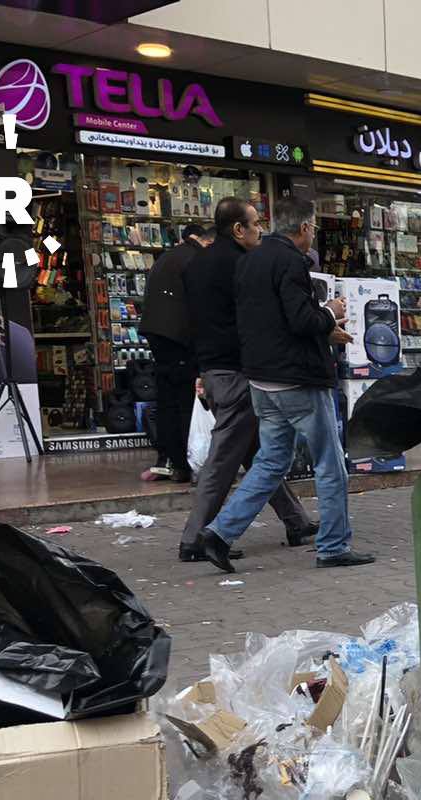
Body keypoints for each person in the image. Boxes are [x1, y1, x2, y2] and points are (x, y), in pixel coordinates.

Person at [198, 194, 374, 572]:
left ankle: (218, 533)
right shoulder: (294, 262)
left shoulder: (248, 262)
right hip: (298, 380)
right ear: (306, 227)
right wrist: (330, 314)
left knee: (270, 461)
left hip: (261, 378)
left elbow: (269, 322)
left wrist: (323, 329)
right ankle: (333, 546)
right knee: (330, 464)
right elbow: (299, 319)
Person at [178, 197, 318, 563]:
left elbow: (192, 323)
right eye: (255, 224)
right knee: (223, 458)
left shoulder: (196, 264)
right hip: (238, 371)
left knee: (263, 453)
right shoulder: (243, 265)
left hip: (213, 369)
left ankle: (296, 521)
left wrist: (200, 371)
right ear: (238, 229)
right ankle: (196, 537)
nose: (260, 231)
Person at [140, 221, 212, 483]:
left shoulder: (167, 258)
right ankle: (184, 462)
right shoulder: (197, 258)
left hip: (158, 336)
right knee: (185, 401)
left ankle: (166, 459)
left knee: (167, 398)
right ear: (206, 240)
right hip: (180, 338)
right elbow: (199, 305)